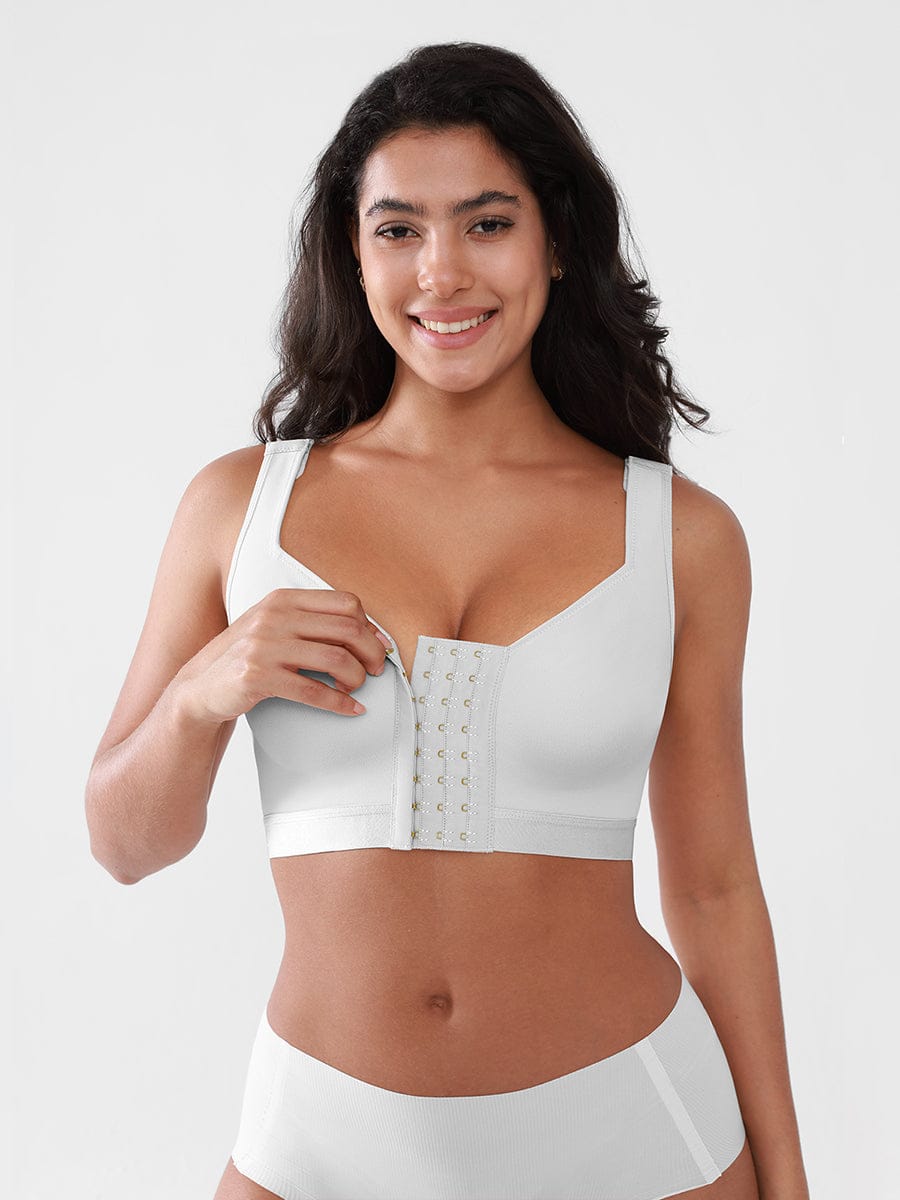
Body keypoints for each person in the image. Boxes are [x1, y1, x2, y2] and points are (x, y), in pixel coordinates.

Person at [85, 41, 809, 1200]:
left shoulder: (683, 537)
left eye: (487, 223)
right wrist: (201, 692)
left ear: (556, 240)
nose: (442, 272)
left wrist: (790, 1181)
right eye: (398, 229)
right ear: (352, 251)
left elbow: (715, 889)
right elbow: (125, 845)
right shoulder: (240, 508)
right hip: (319, 1138)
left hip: (635, 1126)